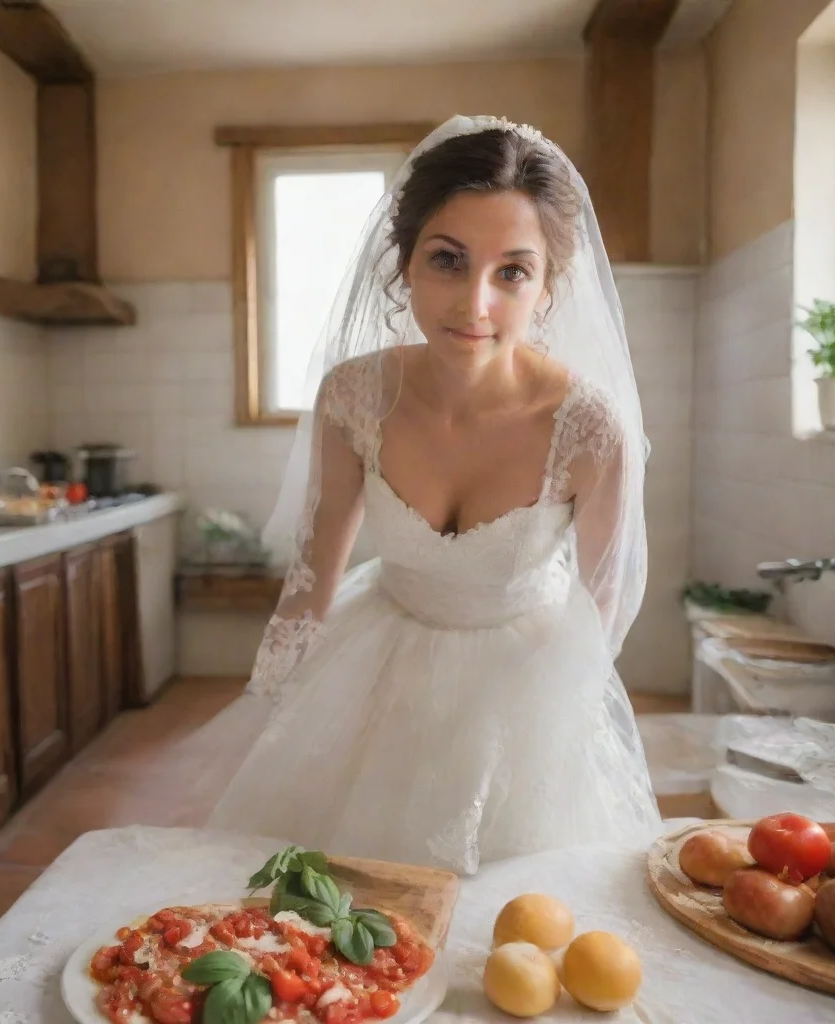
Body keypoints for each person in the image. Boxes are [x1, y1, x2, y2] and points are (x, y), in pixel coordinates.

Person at [189, 114, 662, 875]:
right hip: (378, 667)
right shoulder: (353, 397)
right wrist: (273, 709)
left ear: (546, 289)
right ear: (404, 263)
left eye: (512, 271)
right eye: (448, 260)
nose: (474, 304)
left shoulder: (589, 429)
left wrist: (551, 732)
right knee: (339, 905)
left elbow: (601, 605)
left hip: (523, 686)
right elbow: (314, 578)